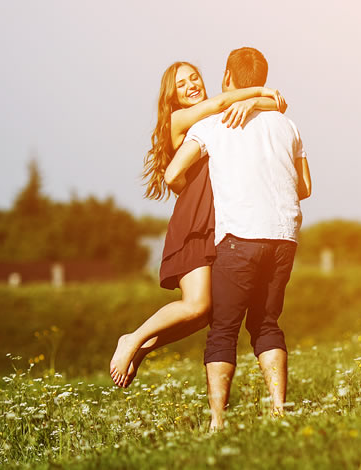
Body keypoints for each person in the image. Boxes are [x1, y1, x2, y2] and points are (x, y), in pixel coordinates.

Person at [109, 61, 288, 388]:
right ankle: (131, 338)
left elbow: (277, 106)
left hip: (220, 224)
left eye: (194, 78)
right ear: (172, 96)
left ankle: (144, 347)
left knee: (208, 313)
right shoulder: (180, 120)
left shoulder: (216, 118)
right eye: (182, 84)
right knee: (197, 304)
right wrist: (261, 91)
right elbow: (227, 102)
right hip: (194, 222)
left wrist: (253, 101)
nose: (191, 85)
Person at [165, 47, 312, 431]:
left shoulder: (211, 126)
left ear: (228, 77)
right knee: (267, 323)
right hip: (284, 237)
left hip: (238, 238)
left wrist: (192, 194)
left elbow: (171, 175)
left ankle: (217, 422)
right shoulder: (288, 125)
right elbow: (306, 187)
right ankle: (279, 412)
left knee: (224, 329)